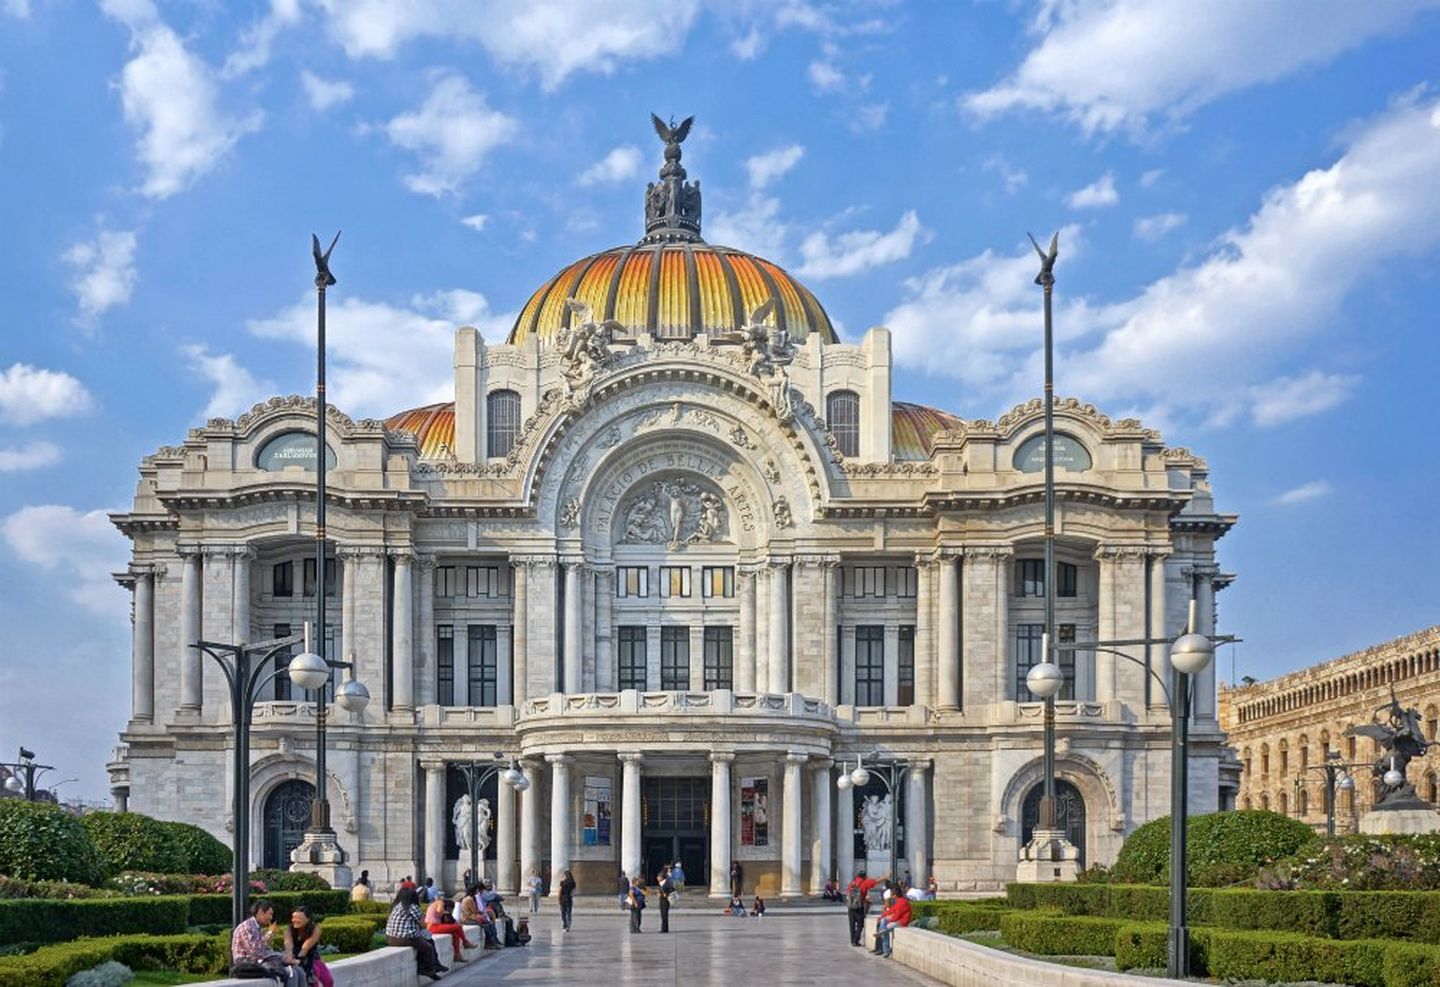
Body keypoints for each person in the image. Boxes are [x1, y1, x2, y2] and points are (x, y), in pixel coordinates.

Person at [230, 899, 304, 986]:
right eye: (270, 914)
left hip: (256, 962)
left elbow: (263, 950)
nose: (271, 918)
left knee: (299, 971)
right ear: (261, 912)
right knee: (291, 973)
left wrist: (283, 957)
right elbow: (256, 952)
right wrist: (269, 934)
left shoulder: (256, 927)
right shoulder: (247, 927)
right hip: (247, 964)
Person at [385, 886, 446, 981]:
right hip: (404, 939)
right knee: (428, 947)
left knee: (428, 940)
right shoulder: (412, 907)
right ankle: (428, 970)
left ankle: (435, 966)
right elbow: (423, 924)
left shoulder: (396, 906)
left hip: (390, 938)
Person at [284, 905, 333, 987]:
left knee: (328, 981)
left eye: (299, 918)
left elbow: (306, 947)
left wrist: (299, 959)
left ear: (308, 919)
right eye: (293, 917)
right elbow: (289, 947)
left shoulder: (316, 929)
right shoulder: (288, 931)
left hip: (312, 958)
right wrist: (290, 958)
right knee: (313, 980)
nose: (295, 920)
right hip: (294, 958)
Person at [425, 895, 476, 962]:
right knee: (458, 927)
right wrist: (446, 912)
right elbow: (439, 911)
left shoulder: (433, 905)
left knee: (455, 934)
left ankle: (457, 955)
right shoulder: (440, 902)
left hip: (434, 926)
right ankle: (465, 942)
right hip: (433, 926)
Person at [459, 884, 501, 950]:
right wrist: (481, 915)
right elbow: (473, 911)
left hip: (470, 917)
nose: (477, 891)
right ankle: (488, 943)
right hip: (467, 919)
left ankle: (492, 941)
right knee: (487, 924)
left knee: (489, 922)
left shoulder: (469, 898)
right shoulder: (469, 899)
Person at [873, 888, 913, 958]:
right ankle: (882, 932)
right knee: (883, 920)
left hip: (902, 922)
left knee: (887, 927)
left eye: (891, 895)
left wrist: (889, 921)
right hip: (898, 920)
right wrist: (882, 917)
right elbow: (891, 910)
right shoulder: (898, 901)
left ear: (895, 895)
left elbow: (897, 915)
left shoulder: (902, 902)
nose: (891, 896)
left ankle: (886, 949)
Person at [845, 869, 879, 947]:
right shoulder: (864, 883)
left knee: (852, 925)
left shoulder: (852, 883)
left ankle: (852, 941)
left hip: (851, 907)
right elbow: (875, 882)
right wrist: (885, 877)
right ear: (864, 876)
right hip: (859, 906)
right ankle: (856, 941)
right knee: (860, 925)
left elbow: (847, 894)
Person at [656, 866, 674, 933]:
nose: (657, 878)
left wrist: (666, 894)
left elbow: (671, 889)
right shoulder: (661, 883)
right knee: (663, 915)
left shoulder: (666, 883)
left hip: (665, 900)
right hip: (662, 899)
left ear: (662, 877)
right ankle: (664, 928)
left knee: (664, 914)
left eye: (659, 877)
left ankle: (664, 929)